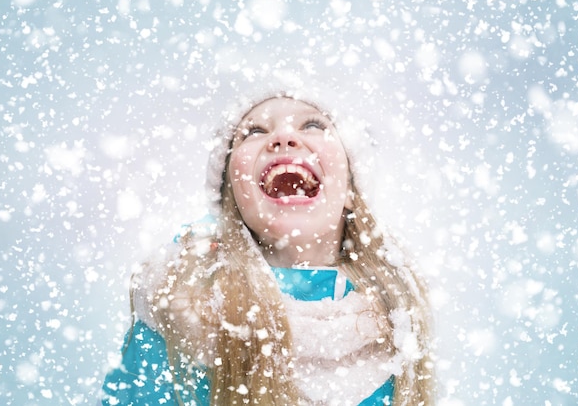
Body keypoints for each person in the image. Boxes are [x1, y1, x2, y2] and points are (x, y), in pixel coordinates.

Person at [100, 88, 434, 405]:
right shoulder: (180, 312)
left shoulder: (396, 319)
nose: (284, 138)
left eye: (313, 124)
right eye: (254, 131)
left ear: (350, 189)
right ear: (233, 195)